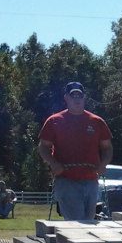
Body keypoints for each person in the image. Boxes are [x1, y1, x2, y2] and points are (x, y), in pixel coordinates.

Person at [37, 81, 114, 220]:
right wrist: (53, 164)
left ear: (84, 98)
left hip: (91, 181)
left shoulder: (97, 121)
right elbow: (43, 146)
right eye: (73, 96)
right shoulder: (54, 121)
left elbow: (107, 148)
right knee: (77, 222)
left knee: (89, 221)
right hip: (66, 180)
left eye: (80, 96)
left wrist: (103, 164)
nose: (77, 99)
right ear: (66, 98)